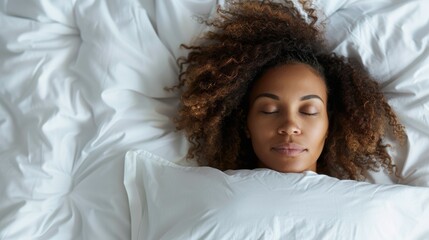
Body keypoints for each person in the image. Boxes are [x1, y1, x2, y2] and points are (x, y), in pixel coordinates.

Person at [172, 0, 406, 180]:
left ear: (329, 124)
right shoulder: (204, 194)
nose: (290, 127)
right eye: (270, 110)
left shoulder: (368, 206)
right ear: (246, 124)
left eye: (309, 111)